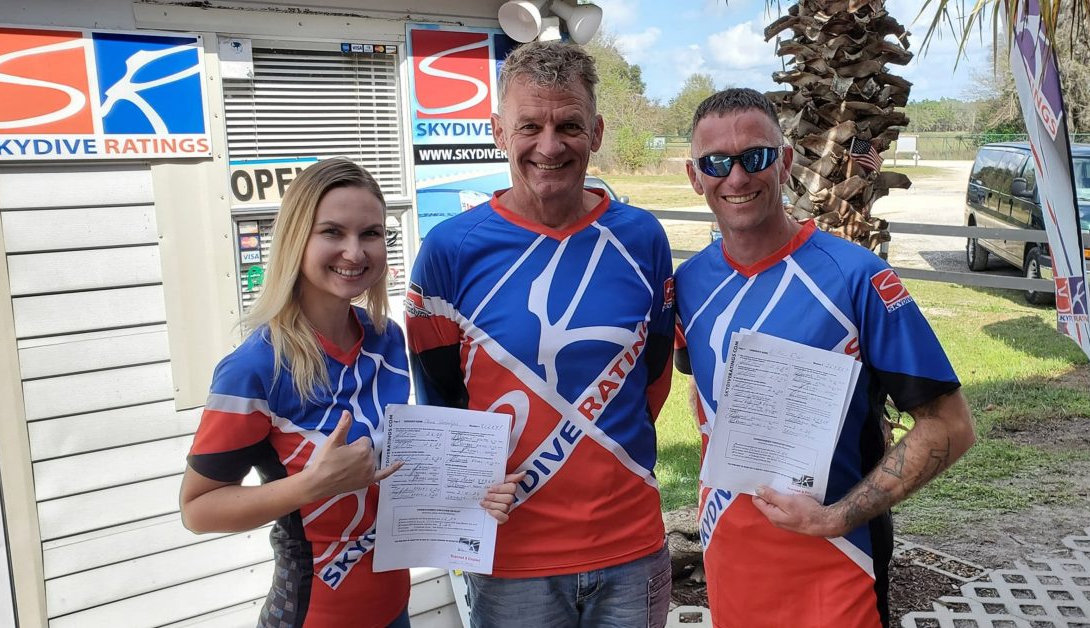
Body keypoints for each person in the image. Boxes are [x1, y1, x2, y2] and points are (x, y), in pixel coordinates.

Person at [674, 88, 976, 628]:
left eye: (756, 157)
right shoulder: (689, 284)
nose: (737, 178)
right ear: (696, 176)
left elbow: (950, 427)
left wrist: (836, 517)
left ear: (786, 162)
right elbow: (703, 394)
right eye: (716, 162)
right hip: (729, 559)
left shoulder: (857, 277)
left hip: (838, 565)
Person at [180, 158, 519, 628]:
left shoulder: (386, 337)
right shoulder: (254, 368)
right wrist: (310, 486)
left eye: (372, 234)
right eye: (333, 232)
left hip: (393, 608)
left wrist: (472, 493)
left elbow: (397, 469)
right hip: (314, 614)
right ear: (297, 239)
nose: (355, 252)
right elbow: (198, 509)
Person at [405, 41, 675, 628]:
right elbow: (441, 404)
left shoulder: (642, 238)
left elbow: (652, 382)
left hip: (629, 545)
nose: (548, 147)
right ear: (499, 129)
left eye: (568, 125)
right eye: (530, 125)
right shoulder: (449, 251)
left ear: (597, 131)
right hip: (510, 556)